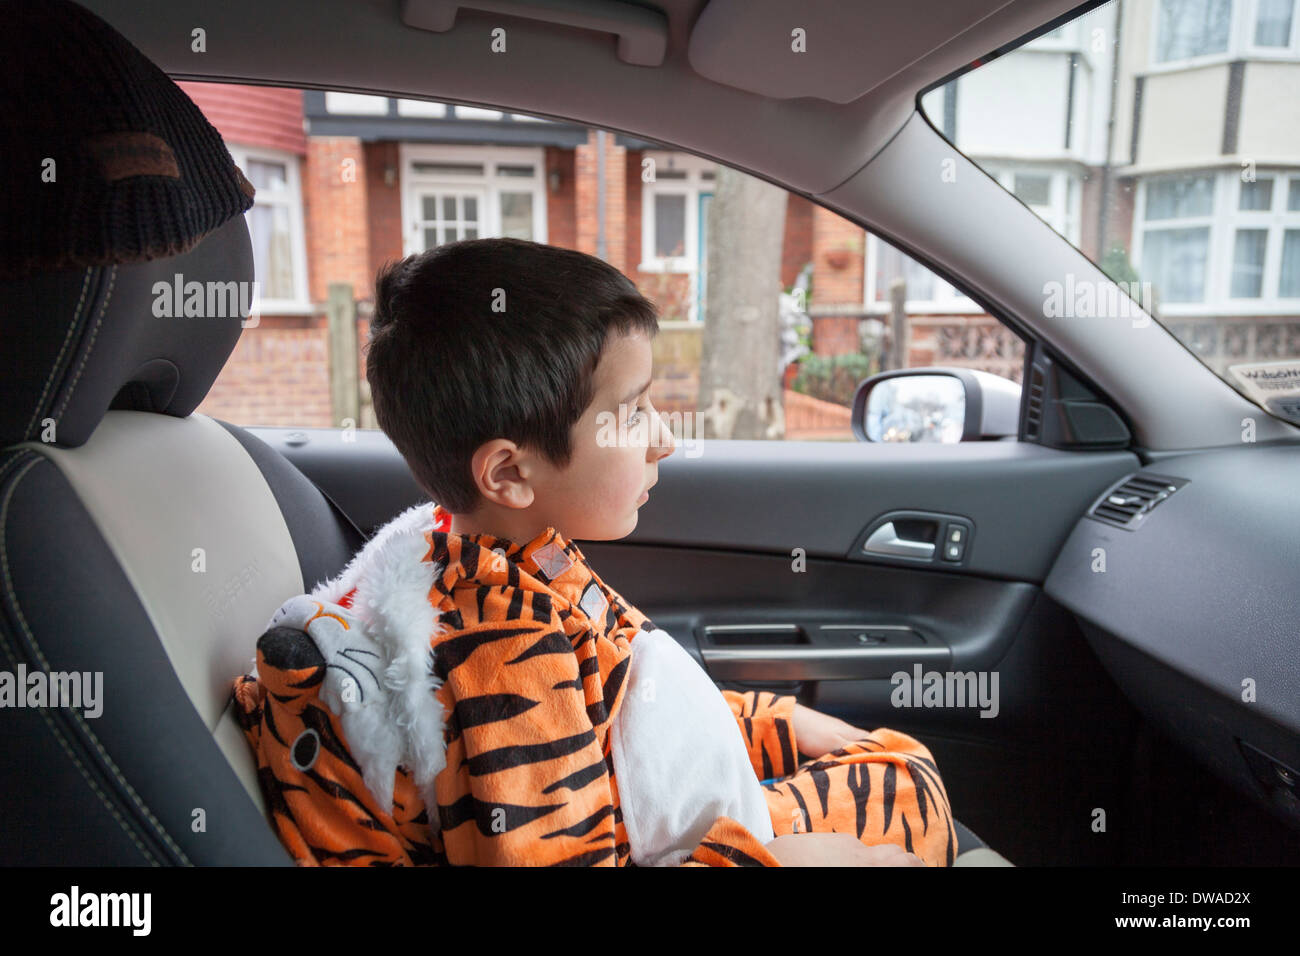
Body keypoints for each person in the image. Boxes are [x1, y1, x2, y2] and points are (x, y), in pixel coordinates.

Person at [233, 238, 957, 866]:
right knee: (912, 790)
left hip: (623, 796)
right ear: (511, 474)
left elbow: (621, 683)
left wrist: (776, 725)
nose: (664, 439)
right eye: (633, 412)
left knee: (898, 767)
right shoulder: (503, 663)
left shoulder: (496, 552)